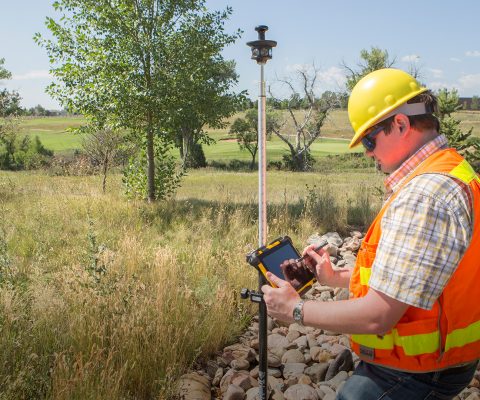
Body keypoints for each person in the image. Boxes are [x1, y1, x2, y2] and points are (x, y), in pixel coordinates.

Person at [261, 68, 480, 400]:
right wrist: (336, 278)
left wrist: (296, 310)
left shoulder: (424, 195)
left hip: (414, 372)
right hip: (439, 361)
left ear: (402, 124)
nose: (366, 152)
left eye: (369, 139)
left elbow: (379, 315)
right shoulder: (449, 171)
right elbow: (414, 277)